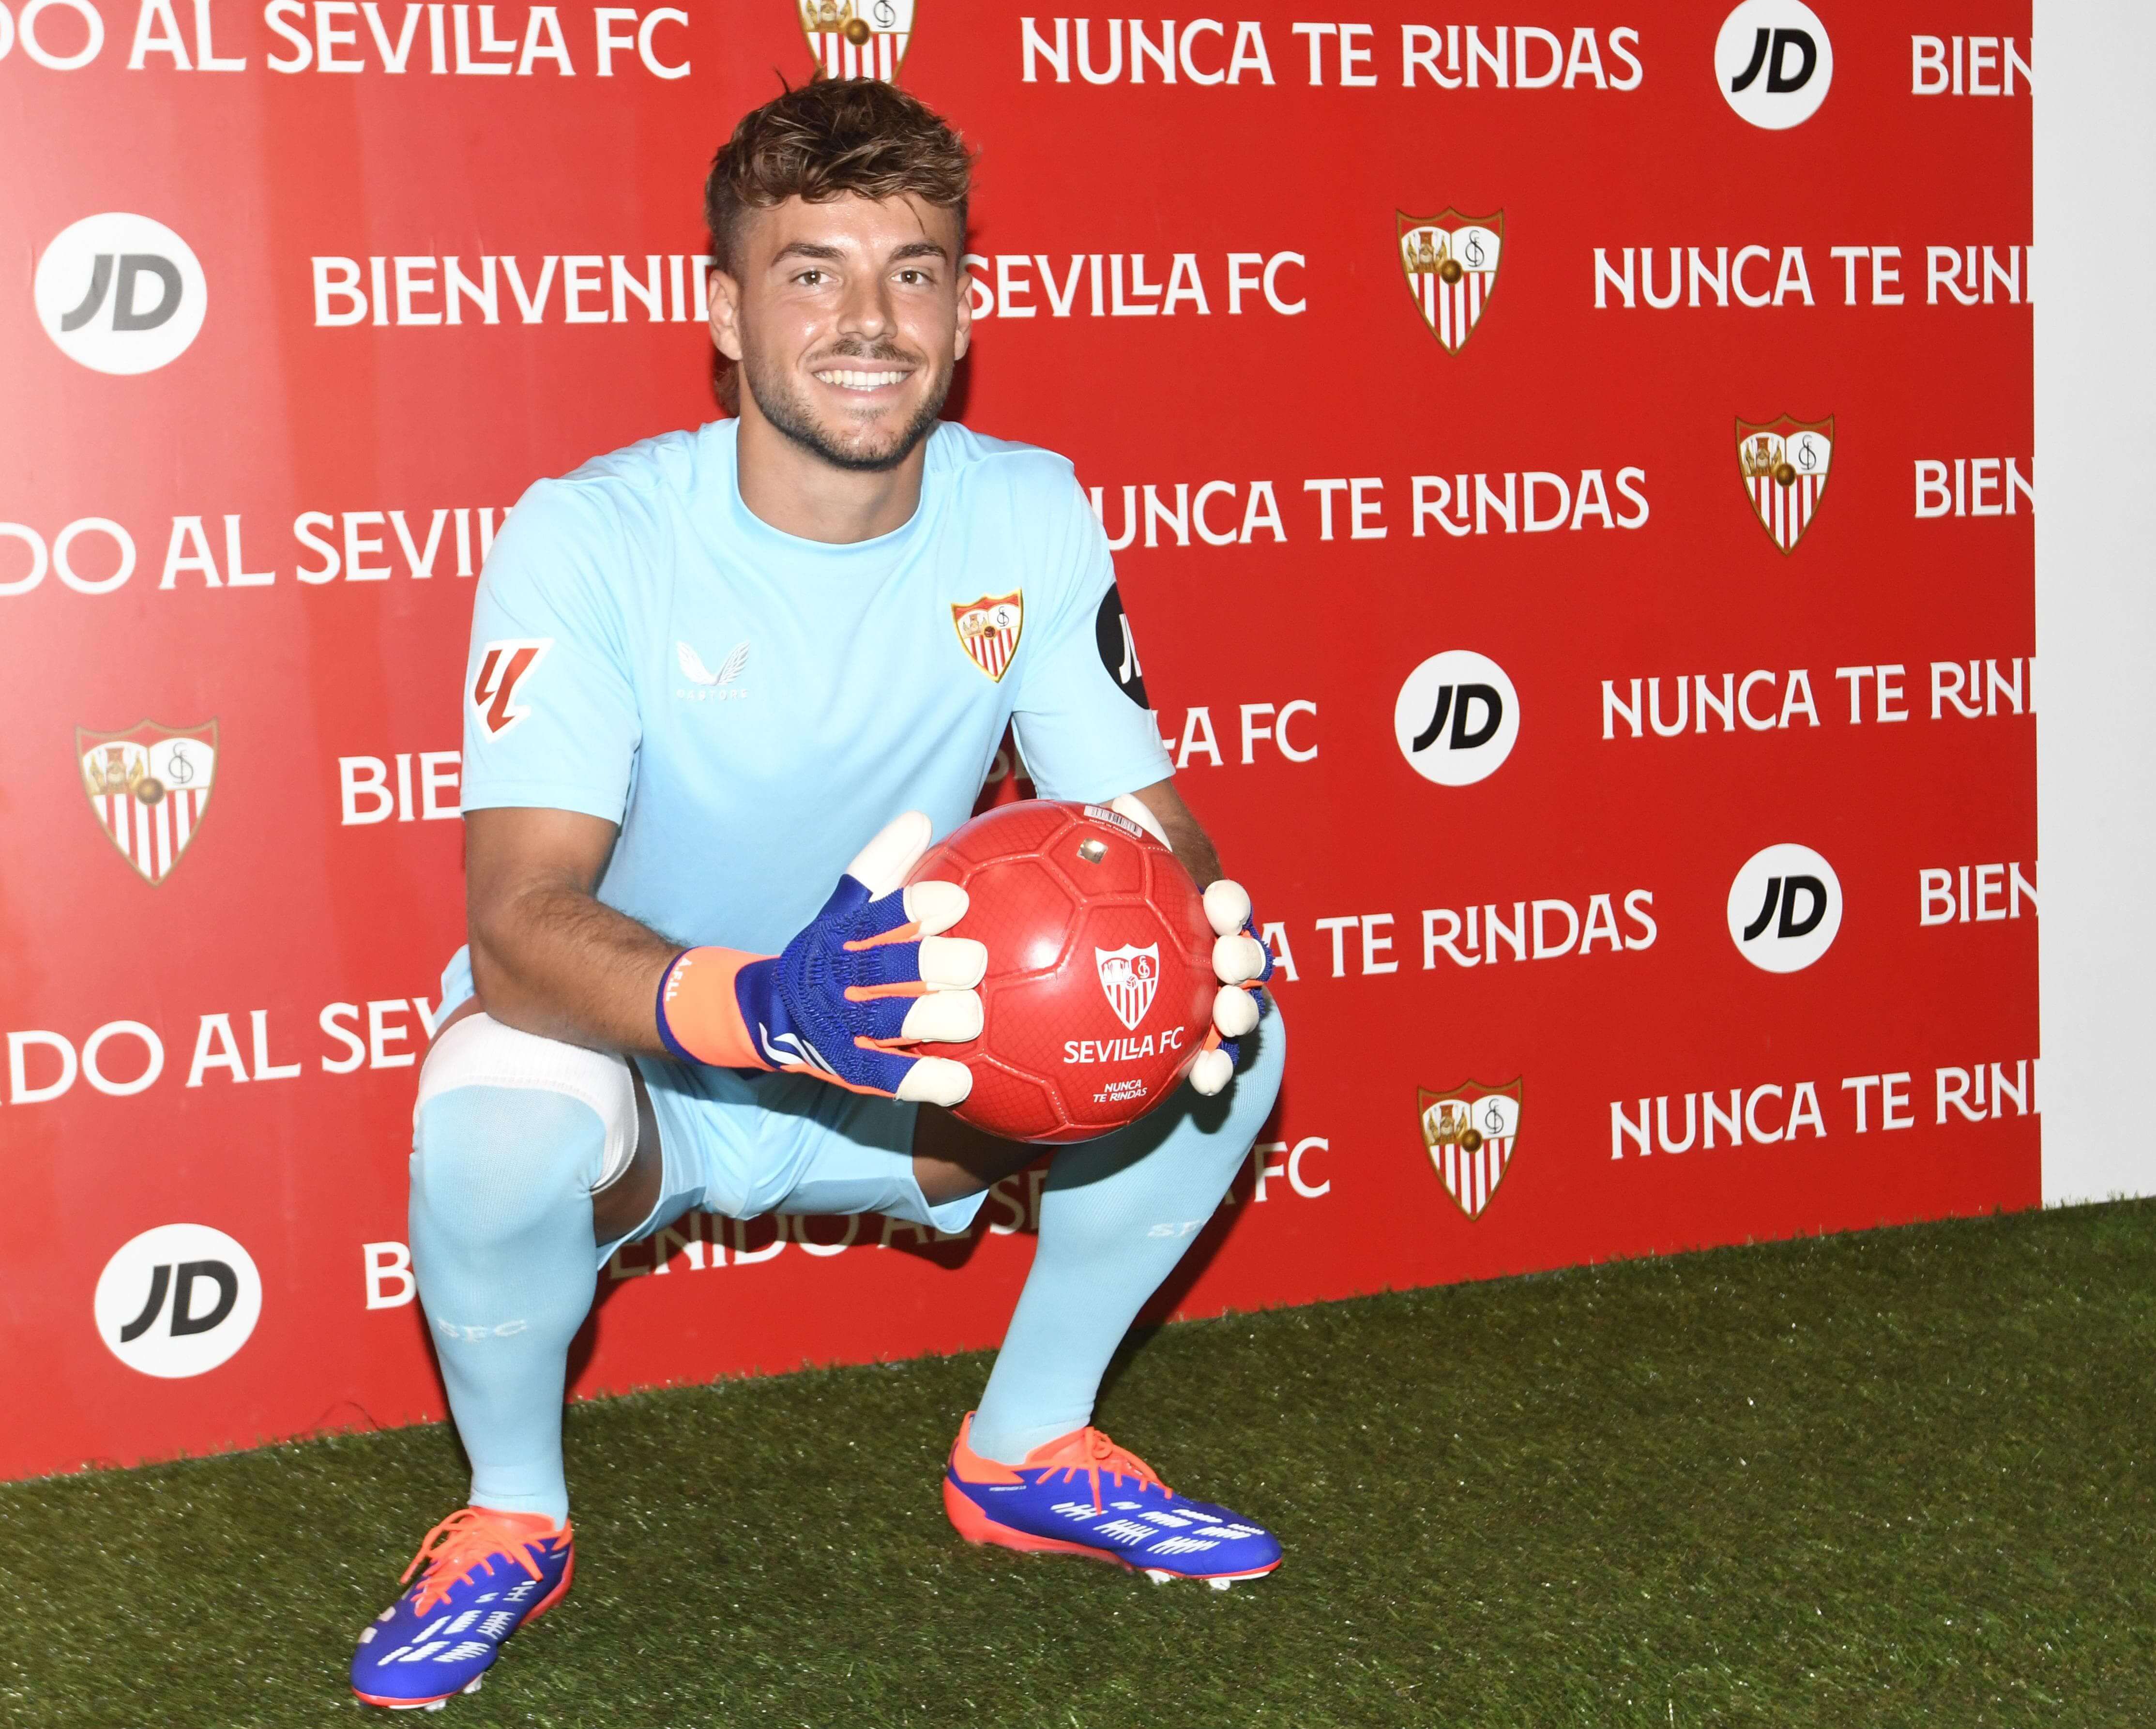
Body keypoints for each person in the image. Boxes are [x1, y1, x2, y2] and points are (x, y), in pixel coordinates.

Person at [349, 76, 1285, 1713]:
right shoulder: (590, 535)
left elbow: (1151, 830)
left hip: (902, 1065)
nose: (870, 321)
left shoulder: (1028, 509)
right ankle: (512, 1514)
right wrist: (764, 1001)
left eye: (913, 272)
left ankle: (1026, 1448)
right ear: (725, 315)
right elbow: (516, 924)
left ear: (965, 311)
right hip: (652, 1062)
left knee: (1234, 1026)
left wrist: (1195, 924)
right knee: (490, 1106)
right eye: (812, 272)